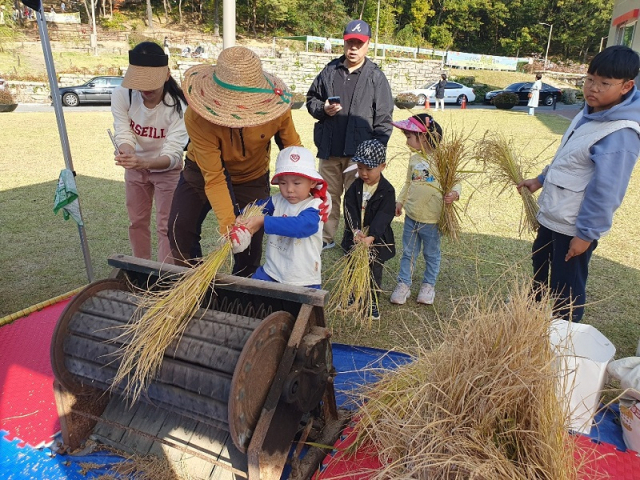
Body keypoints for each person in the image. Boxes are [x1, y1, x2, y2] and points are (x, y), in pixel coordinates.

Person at [518, 45, 640, 322]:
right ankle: (529, 327)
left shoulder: (620, 133)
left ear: (626, 86)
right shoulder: (589, 113)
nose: (592, 88)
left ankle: (563, 339)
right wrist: (540, 179)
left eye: (604, 83)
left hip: (573, 226)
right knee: (540, 270)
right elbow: (567, 158)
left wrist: (585, 234)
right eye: (590, 79)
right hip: (553, 215)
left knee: (566, 289)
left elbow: (606, 191)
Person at [168, 46, 302, 276]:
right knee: (180, 228)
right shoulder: (197, 116)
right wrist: (230, 226)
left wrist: (310, 185)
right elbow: (214, 177)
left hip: (252, 177)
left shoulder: (277, 109)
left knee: (251, 245)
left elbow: (292, 149)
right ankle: (192, 283)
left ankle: (242, 288)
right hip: (201, 173)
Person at [306, 19, 394, 251]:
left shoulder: (376, 77)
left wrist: (372, 155)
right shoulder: (330, 70)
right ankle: (326, 237)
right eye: (349, 43)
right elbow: (311, 99)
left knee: (357, 200)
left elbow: (384, 119)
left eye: (359, 43)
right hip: (330, 150)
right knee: (327, 196)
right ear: (344, 43)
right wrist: (322, 109)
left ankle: (354, 239)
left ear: (367, 45)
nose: (353, 48)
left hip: (359, 156)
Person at [111, 41, 188, 264]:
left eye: (151, 85)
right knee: (137, 221)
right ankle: (140, 268)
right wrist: (126, 153)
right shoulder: (122, 95)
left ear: (166, 75)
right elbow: (123, 131)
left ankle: (165, 275)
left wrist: (143, 163)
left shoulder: (180, 106)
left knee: (166, 225)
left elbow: (174, 155)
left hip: (167, 169)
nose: (145, 92)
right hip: (136, 167)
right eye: (140, 85)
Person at [390, 113, 460, 306]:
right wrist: (400, 201)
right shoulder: (414, 159)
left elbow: (456, 182)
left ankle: (428, 286)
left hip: (432, 220)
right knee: (408, 253)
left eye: (409, 137)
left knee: (431, 254)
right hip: (412, 216)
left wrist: (454, 194)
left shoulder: (443, 159)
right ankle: (404, 284)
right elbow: (408, 182)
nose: (406, 142)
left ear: (422, 136)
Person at [235, 146, 331, 289]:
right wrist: (242, 215)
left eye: (297, 183)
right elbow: (258, 206)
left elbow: (302, 226)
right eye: (283, 183)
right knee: (252, 293)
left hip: (302, 279)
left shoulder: (314, 207)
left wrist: (263, 220)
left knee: (299, 309)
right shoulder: (278, 200)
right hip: (272, 271)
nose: (289, 189)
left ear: (312, 182)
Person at [341, 139, 395, 321]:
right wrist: (355, 230)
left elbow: (385, 215)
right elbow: (349, 208)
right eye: (360, 167)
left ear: (382, 166)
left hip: (375, 240)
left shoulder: (387, 190)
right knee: (351, 267)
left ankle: (372, 301)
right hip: (355, 238)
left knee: (373, 271)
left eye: (369, 169)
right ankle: (349, 295)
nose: (363, 173)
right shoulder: (355, 186)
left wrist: (372, 235)